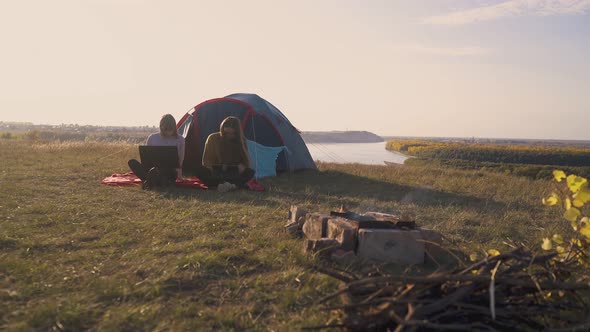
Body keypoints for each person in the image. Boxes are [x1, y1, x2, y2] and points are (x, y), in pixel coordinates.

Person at [197, 116, 255, 191]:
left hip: (233, 173)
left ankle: (223, 185)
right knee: (200, 171)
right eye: (226, 133)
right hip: (216, 173)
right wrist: (216, 169)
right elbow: (206, 161)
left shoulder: (242, 140)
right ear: (222, 131)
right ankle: (234, 185)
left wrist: (242, 167)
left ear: (237, 133)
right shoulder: (212, 138)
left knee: (249, 172)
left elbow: (247, 163)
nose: (229, 135)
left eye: (232, 134)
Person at [128, 114, 185, 189]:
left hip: (170, 171)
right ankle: (152, 179)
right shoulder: (152, 138)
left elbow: (180, 159)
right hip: (152, 168)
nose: (168, 132)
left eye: (170, 130)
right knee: (132, 162)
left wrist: (179, 175)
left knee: (156, 171)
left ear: (174, 128)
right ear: (161, 127)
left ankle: (148, 180)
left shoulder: (180, 139)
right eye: (166, 129)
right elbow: (146, 157)